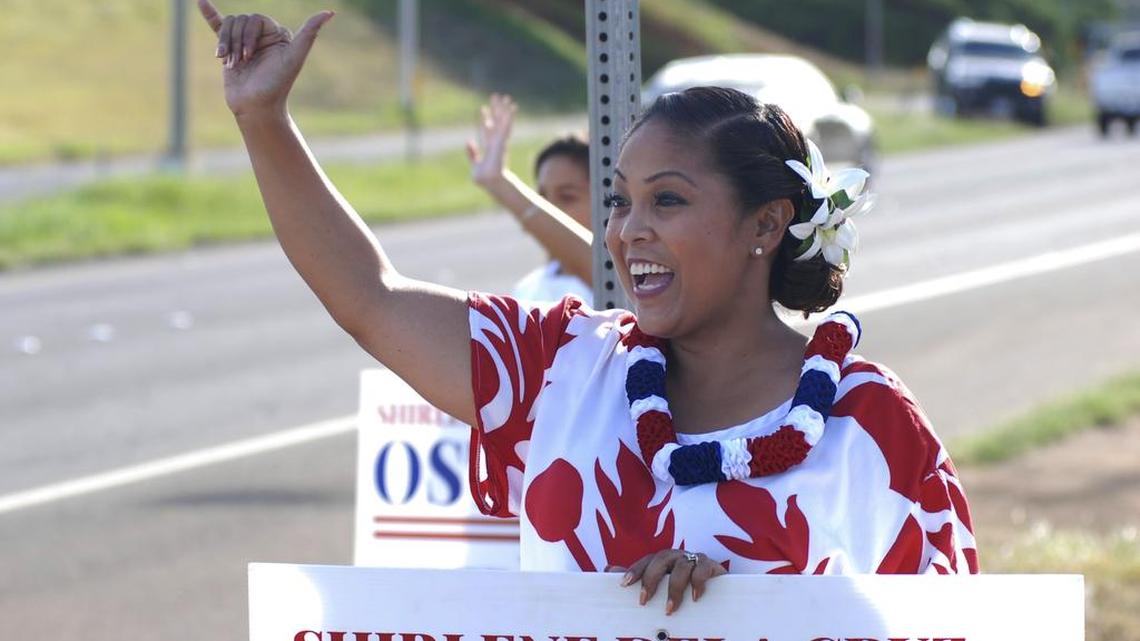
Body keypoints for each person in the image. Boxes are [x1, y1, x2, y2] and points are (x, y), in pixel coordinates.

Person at [196, 1, 978, 616]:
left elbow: (947, 620)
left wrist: (745, 609)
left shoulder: (871, 424)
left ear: (767, 224)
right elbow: (370, 296)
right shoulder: (559, 369)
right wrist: (264, 121)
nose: (628, 229)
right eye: (619, 200)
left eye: (667, 200)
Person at [465, 94, 593, 305]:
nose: (548, 208)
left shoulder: (618, 281)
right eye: (541, 197)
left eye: (567, 197)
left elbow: (596, 266)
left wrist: (499, 183)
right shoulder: (527, 289)